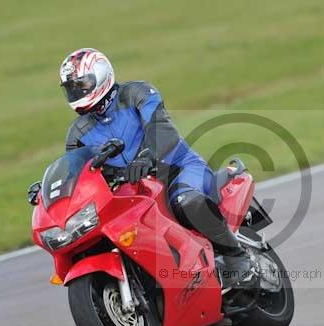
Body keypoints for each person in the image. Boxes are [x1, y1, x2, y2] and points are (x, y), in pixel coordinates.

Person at [59, 48, 252, 288]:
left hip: (177, 169)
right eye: (71, 88)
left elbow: (161, 128)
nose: (77, 91)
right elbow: (75, 170)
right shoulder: (77, 133)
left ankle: (236, 255)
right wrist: (52, 192)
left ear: (101, 74)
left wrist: (145, 157)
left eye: (82, 83)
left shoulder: (137, 93)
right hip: (134, 190)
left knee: (186, 201)